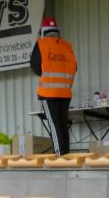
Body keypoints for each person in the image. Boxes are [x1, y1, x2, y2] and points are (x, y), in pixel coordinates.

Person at [31, 17, 77, 155]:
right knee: (63, 125)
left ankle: (60, 156)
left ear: (43, 31)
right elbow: (74, 67)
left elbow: (35, 67)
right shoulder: (67, 46)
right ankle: (66, 155)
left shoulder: (41, 44)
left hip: (48, 93)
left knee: (55, 126)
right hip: (65, 93)